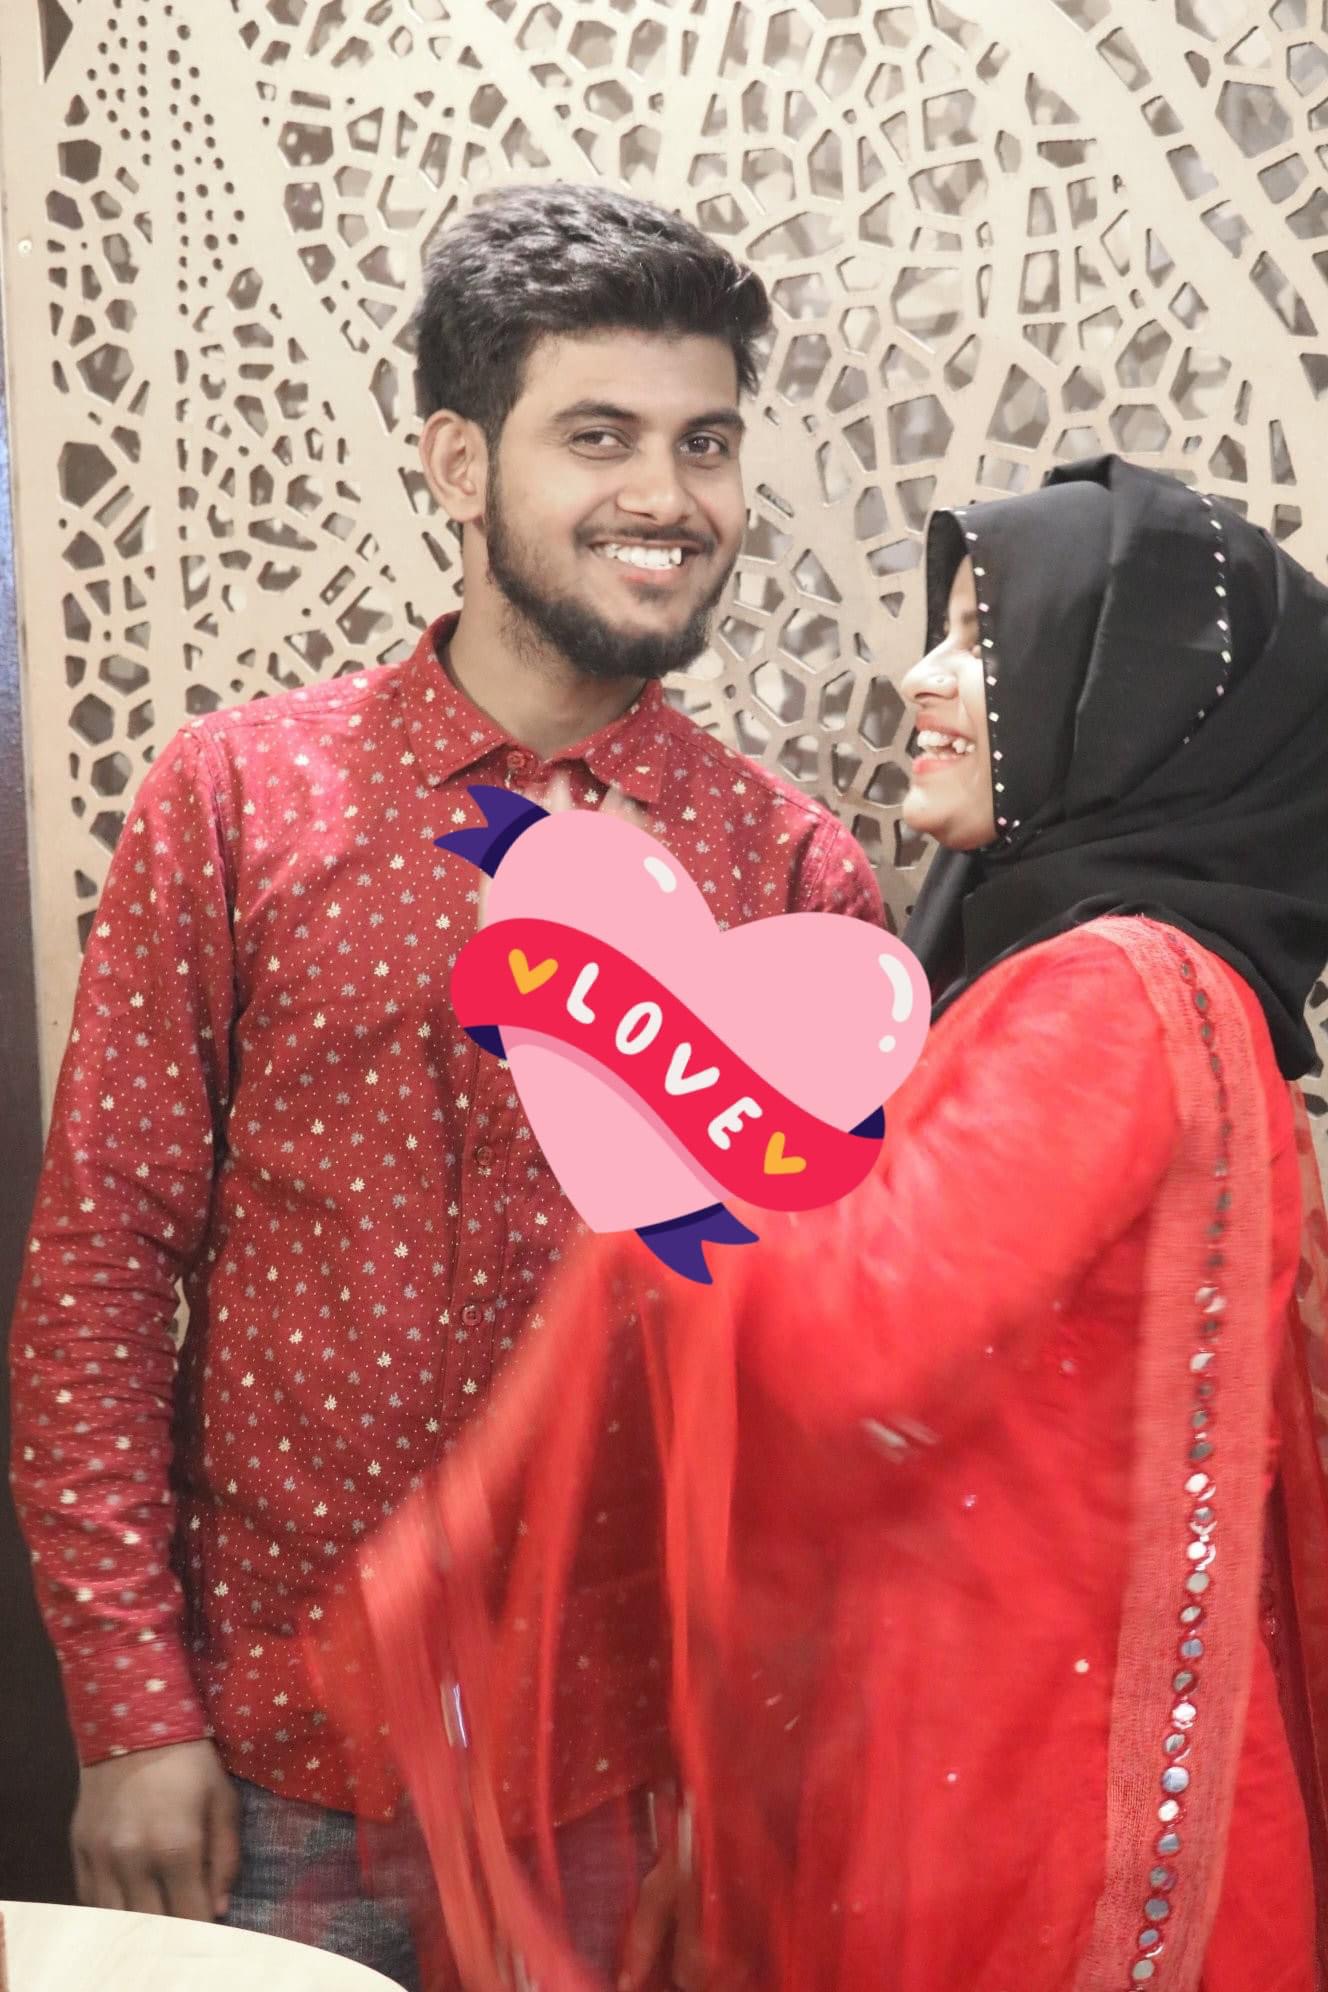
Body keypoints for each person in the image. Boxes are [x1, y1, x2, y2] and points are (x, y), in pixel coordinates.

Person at [7, 181, 883, 1990]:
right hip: (268, 1767)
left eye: (706, 441)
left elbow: (824, 1402)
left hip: (623, 1793)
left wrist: (755, 1767)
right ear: (459, 462)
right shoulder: (238, 801)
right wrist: (129, 1707)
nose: (669, 495)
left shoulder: (792, 878)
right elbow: (100, 1266)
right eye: (600, 436)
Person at [323, 454, 1328, 1990]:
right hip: (1007, 1777)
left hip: (1057, 1842)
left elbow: (855, 1340)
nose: (921, 677)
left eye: (984, 641)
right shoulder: (1119, 978)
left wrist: (631, 1034)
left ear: (1124, 708)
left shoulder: (1115, 993)